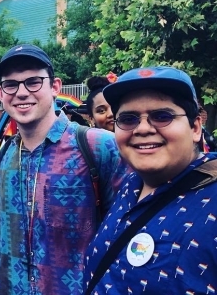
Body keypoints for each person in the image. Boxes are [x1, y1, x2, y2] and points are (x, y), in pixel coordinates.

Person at [0, 44, 128, 295]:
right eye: (11, 84)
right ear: (1, 93)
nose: (21, 93)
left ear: (55, 87)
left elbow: (129, 232)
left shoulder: (98, 146)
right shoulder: (6, 154)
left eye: (33, 82)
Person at [83, 66, 217, 294]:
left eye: (162, 116)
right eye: (128, 119)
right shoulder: (130, 185)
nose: (143, 129)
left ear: (195, 127)